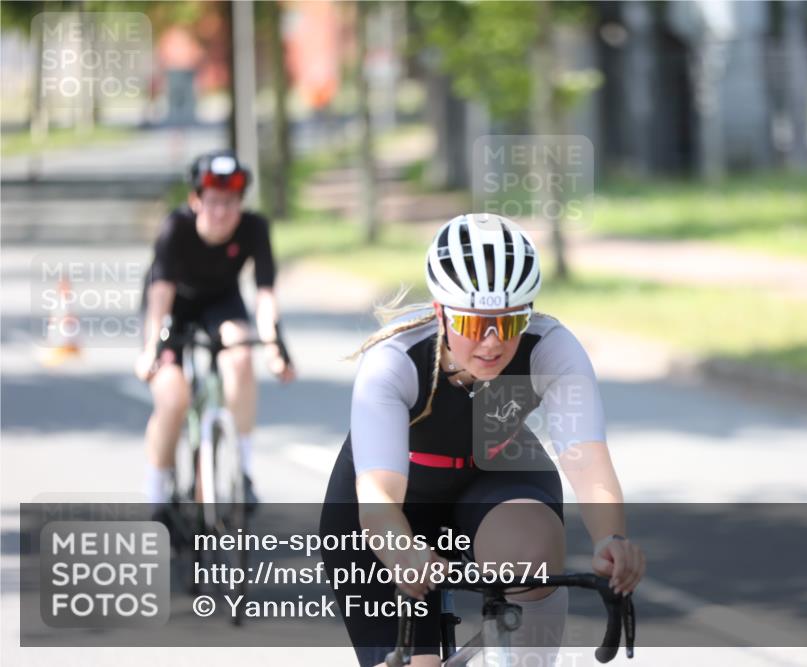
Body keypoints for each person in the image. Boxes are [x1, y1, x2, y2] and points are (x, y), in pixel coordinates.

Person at [320, 213, 645, 667]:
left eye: (509, 323)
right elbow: (378, 497)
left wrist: (609, 536)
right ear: (441, 313)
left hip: (493, 475)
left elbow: (587, 460)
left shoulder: (552, 348)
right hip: (395, 505)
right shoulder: (394, 360)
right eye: (474, 325)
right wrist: (399, 548)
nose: (491, 343)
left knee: (531, 554)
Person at [135, 150, 295, 511]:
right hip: (173, 307)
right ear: (196, 201)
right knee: (173, 398)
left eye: (230, 203)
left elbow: (265, 294)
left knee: (241, 356)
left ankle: (244, 472)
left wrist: (275, 348)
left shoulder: (254, 227)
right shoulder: (176, 227)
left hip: (221, 302)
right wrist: (150, 349)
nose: (221, 212)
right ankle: (156, 492)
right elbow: (159, 295)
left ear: (241, 203)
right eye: (213, 202)